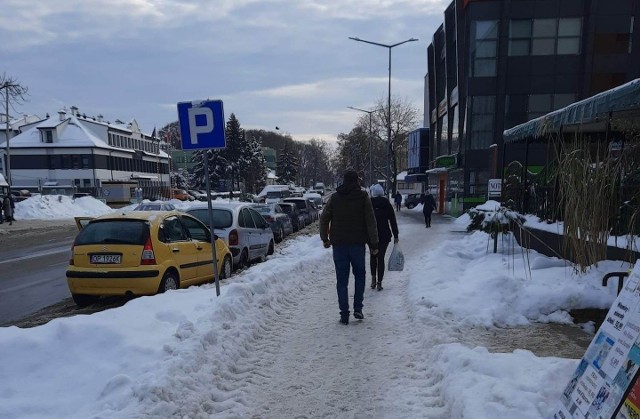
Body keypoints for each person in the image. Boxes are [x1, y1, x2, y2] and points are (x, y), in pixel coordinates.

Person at [320, 170, 379, 325]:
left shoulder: (335, 197)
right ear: (357, 181)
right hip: (358, 244)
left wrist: (325, 238)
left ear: (344, 180)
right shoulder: (363, 197)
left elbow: (324, 218)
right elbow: (371, 221)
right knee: (360, 275)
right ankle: (358, 308)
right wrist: (374, 244)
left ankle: (344, 314)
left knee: (342, 280)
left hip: (339, 245)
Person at [369, 184, 399, 291]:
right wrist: (396, 235)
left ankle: (373, 280)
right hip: (385, 235)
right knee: (380, 258)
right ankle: (379, 282)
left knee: (373, 257)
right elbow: (392, 220)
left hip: (371, 236)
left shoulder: (370, 203)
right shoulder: (386, 203)